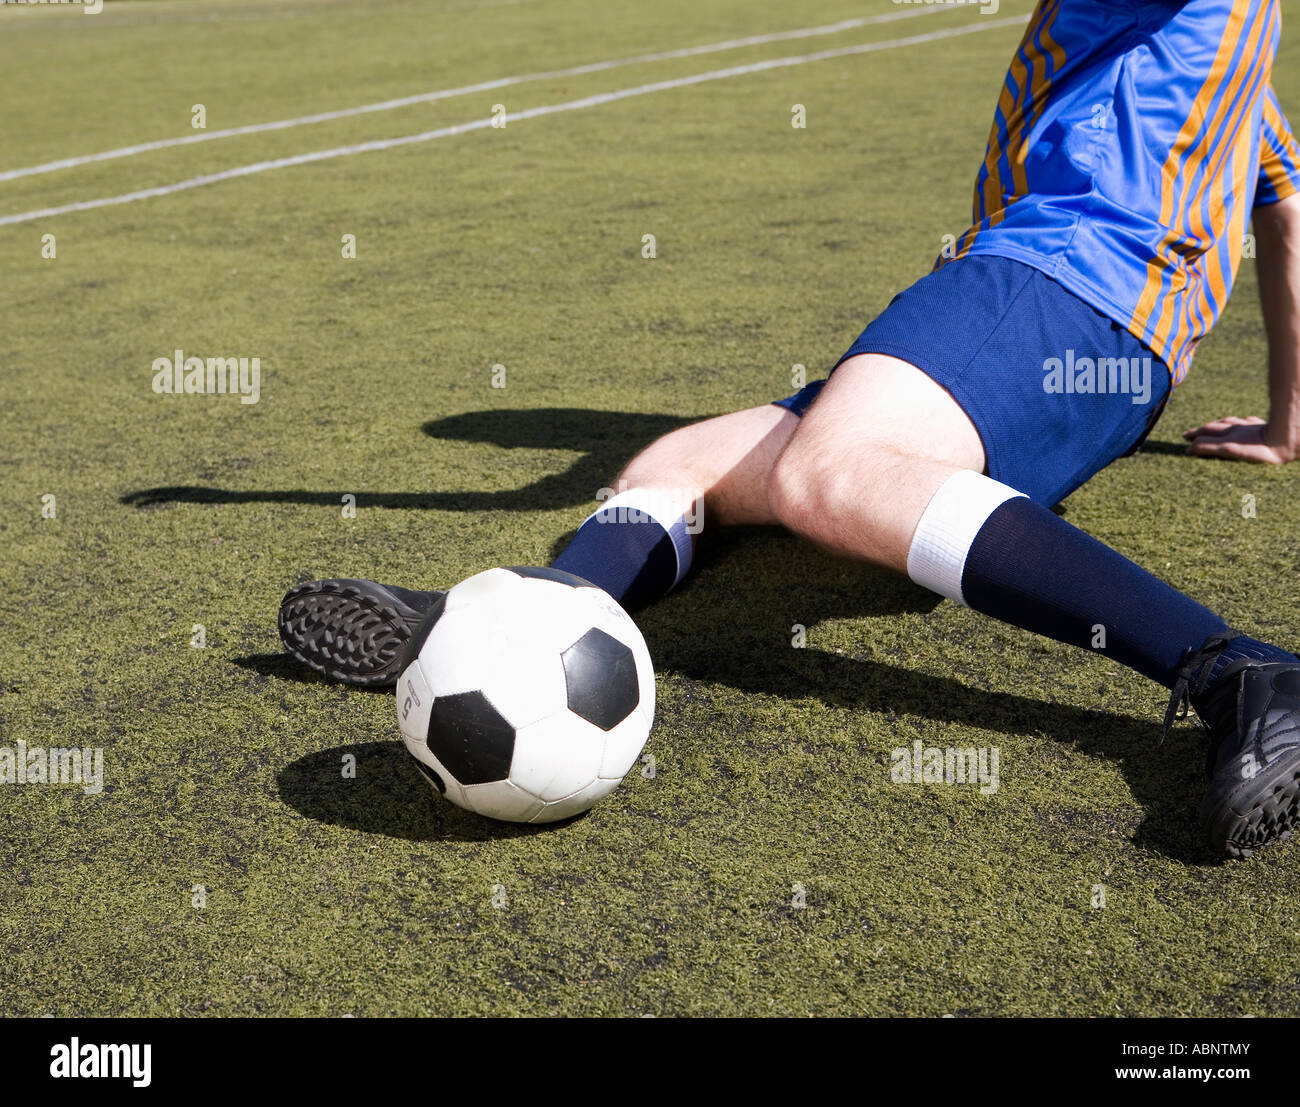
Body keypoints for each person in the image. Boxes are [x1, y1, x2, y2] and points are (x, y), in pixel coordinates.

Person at [279, 0, 1300, 858]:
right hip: (1116, 369)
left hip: (1053, 282)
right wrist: (1286, 422)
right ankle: (516, 628)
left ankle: (1235, 667)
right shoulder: (1224, 69)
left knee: (830, 473)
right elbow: (1287, 215)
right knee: (676, 467)